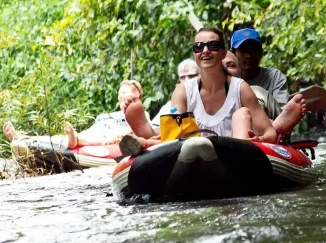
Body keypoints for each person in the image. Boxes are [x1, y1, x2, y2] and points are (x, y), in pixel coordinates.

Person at [122, 27, 305, 151]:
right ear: (194, 55)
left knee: (241, 113)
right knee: (174, 134)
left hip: (234, 151)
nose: (205, 50)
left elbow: (268, 132)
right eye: (199, 47)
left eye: (213, 46)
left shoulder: (241, 89)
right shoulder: (183, 91)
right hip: (193, 150)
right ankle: (147, 134)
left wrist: (261, 140)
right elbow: (173, 137)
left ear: (224, 53)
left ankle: (146, 139)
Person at [2, 80, 148, 151]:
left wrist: (119, 135)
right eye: (119, 94)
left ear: (136, 94)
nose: (120, 97)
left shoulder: (141, 114)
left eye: (123, 93)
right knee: (58, 139)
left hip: (109, 138)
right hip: (95, 132)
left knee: (92, 138)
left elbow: (139, 132)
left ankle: (75, 138)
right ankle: (22, 137)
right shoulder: (110, 115)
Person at [231, 28, 289, 105]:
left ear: (261, 53)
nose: (248, 56)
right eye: (243, 50)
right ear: (233, 53)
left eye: (253, 50)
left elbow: (282, 110)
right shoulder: (226, 80)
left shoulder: (274, 77)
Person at [223, 50, 282, 120]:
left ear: (239, 71)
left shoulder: (258, 93)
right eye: (220, 67)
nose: (225, 70)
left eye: (231, 66)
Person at [151, 59, 200, 127]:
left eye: (191, 76)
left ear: (200, 76)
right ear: (179, 80)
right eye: (183, 77)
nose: (187, 80)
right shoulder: (170, 106)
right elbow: (155, 127)